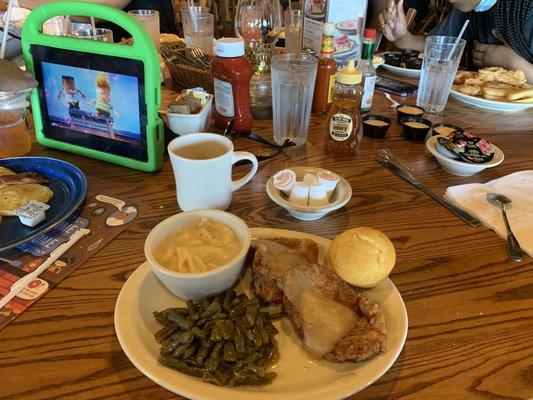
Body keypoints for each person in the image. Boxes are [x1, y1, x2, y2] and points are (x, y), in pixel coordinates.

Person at [381, 0, 533, 82]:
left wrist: (511, 61)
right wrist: (403, 37)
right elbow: (439, 46)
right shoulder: (466, 8)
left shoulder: (527, 9)